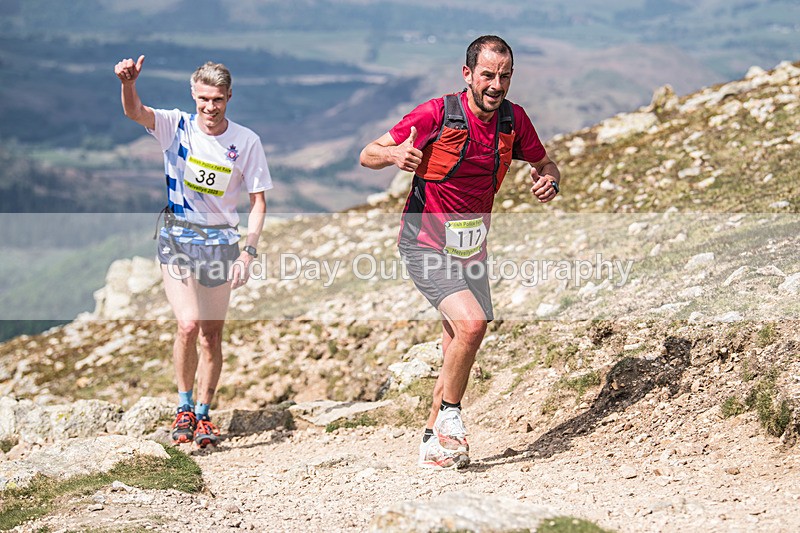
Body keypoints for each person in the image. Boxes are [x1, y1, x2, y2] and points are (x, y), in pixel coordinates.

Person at [360, 35, 561, 469]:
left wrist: (550, 180)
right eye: (488, 75)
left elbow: (545, 163)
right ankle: (451, 416)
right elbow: (367, 153)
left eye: (505, 76)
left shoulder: (513, 119)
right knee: (472, 324)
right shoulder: (436, 113)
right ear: (467, 74)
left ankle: (433, 441)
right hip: (424, 243)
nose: (496, 85)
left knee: (459, 340)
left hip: (471, 250)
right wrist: (393, 155)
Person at [114, 55, 271, 447]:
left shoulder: (246, 141)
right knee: (187, 324)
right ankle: (183, 407)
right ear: (193, 96)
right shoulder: (176, 126)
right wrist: (128, 84)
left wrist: (248, 252)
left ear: (229, 97)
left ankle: (203, 413)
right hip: (178, 239)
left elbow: (258, 201)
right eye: (203, 99)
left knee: (211, 336)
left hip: (221, 246)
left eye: (217, 99)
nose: (210, 107)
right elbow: (135, 112)